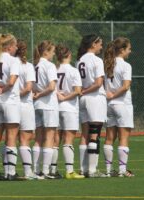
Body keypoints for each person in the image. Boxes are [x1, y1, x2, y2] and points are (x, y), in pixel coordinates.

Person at [103, 37, 134, 177]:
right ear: (122, 50)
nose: (130, 51)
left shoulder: (108, 64)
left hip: (109, 106)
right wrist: (113, 96)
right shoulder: (126, 66)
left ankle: (109, 170)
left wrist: (109, 96)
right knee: (123, 137)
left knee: (109, 138)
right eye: (128, 49)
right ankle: (122, 170)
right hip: (122, 104)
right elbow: (126, 86)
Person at [77, 34, 107, 178]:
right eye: (100, 44)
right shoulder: (97, 60)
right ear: (93, 44)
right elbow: (98, 84)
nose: (101, 46)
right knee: (94, 134)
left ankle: (83, 169)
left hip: (83, 100)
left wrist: (82, 92)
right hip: (94, 98)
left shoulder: (80, 60)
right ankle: (92, 170)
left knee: (84, 134)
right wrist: (86, 91)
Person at [0, 33, 21, 181]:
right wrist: (3, 89)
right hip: (10, 101)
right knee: (11, 137)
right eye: (15, 45)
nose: (16, 48)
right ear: (9, 47)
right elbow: (11, 82)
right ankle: (10, 171)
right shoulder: (13, 61)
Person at [55, 44, 84, 179]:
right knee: (68, 139)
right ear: (69, 55)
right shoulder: (73, 70)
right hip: (69, 108)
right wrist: (65, 97)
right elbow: (77, 91)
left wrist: (58, 96)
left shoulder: (53, 69)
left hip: (56, 106)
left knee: (55, 139)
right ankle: (69, 171)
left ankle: (52, 170)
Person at [33, 40, 59, 179]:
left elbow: (32, 86)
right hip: (48, 104)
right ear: (46, 52)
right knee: (49, 136)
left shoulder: (35, 65)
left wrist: (36, 95)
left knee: (38, 138)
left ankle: (35, 170)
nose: (54, 54)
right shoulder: (49, 65)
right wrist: (40, 94)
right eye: (52, 51)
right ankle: (45, 171)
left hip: (37, 105)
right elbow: (51, 87)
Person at [15, 39, 40, 180]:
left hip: (9, 104)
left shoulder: (8, 64)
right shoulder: (27, 66)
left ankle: (8, 170)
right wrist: (17, 95)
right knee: (25, 138)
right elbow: (28, 87)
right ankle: (28, 171)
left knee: (10, 138)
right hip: (24, 105)